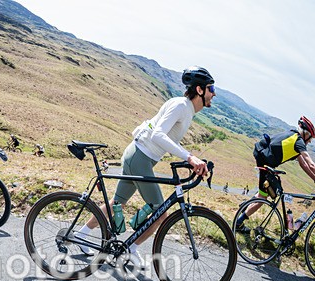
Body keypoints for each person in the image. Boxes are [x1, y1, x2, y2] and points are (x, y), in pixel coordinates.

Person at [77, 66, 215, 266]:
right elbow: (158, 134)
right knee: (161, 213)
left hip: (139, 155)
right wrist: (190, 158)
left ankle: (82, 235)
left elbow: (168, 138)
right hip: (140, 157)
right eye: (211, 89)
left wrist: (190, 157)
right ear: (200, 90)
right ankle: (131, 248)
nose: (214, 94)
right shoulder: (181, 107)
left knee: (118, 202)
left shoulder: (185, 107)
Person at [234, 116, 315, 232]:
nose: (310, 141)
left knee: (267, 190)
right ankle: (239, 222)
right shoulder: (299, 141)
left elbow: (304, 165)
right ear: (306, 133)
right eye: (310, 138)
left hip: (262, 157)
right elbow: (311, 164)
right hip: (264, 162)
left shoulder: (293, 135)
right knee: (264, 196)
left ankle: (246, 205)